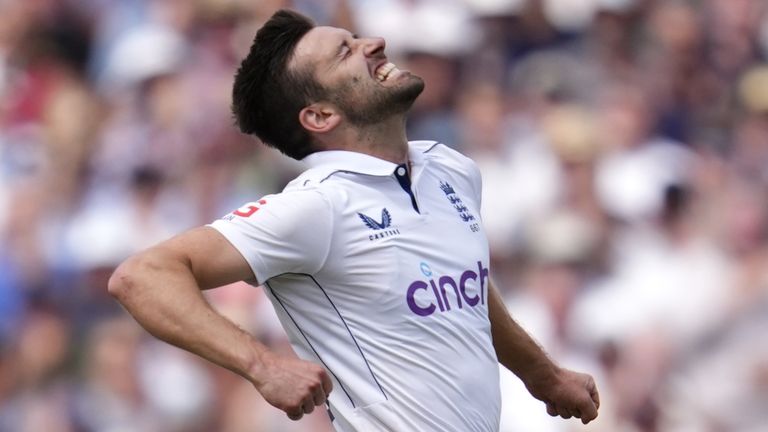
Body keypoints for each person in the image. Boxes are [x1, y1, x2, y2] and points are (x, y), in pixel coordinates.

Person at [107, 9, 600, 431]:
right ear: (319, 116)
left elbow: (466, 285)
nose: (375, 43)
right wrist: (261, 365)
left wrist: (543, 375)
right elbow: (141, 277)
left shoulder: (451, 169)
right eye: (346, 52)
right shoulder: (317, 207)